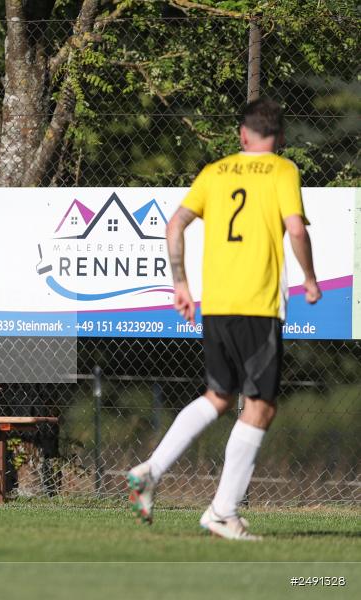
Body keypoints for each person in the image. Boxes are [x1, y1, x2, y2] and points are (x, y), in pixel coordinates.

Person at [126, 98, 320, 540]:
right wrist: (309, 276)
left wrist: (180, 284)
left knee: (218, 396)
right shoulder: (283, 170)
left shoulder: (214, 172)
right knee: (260, 405)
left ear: (242, 135)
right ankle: (222, 511)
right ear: (280, 138)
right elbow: (295, 228)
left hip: (216, 305)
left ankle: (150, 471)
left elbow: (174, 225)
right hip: (256, 305)